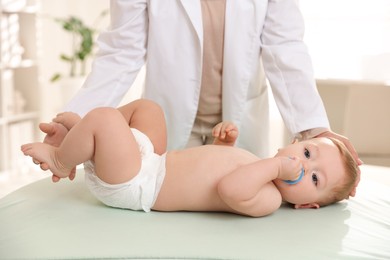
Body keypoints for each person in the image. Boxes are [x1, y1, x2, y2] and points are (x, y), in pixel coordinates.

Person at [22, 99, 358, 217]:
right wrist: (224, 146)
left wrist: (276, 166)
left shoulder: (269, 198)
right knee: (148, 108)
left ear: (307, 205)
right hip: (152, 161)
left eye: (314, 178)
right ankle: (87, 139)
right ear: (294, 143)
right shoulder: (261, 169)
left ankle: (64, 160)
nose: (303, 166)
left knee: (107, 117)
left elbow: (230, 189)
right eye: (308, 153)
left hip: (137, 185)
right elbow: (212, 174)